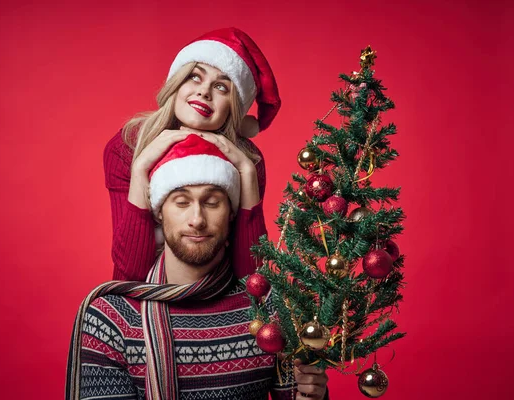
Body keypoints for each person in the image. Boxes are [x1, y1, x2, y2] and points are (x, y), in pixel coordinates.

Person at [67, 135, 329, 400]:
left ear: (231, 213)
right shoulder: (111, 318)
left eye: (212, 202)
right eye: (181, 202)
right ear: (159, 212)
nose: (197, 220)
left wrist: (311, 396)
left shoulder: (271, 310)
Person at [104, 27, 281, 281]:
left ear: (234, 106)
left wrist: (248, 174)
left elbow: (251, 279)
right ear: (177, 83)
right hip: (148, 303)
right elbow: (130, 274)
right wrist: (141, 169)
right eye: (195, 77)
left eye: (221, 86)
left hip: (220, 297)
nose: (204, 92)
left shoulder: (247, 159)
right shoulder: (127, 146)